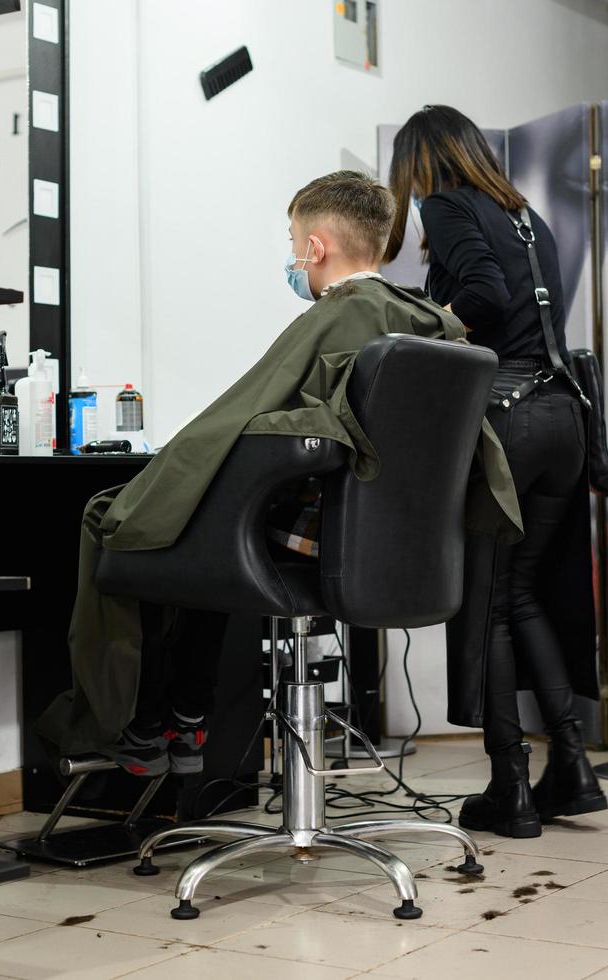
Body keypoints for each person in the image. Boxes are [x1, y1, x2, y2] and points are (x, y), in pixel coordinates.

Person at [39, 170, 520, 779]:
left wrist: (170, 475)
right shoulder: (427, 323)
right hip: (400, 541)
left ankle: (127, 726)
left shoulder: (342, 317)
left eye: (294, 241)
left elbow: (249, 421)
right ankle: (184, 721)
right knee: (203, 522)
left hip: (328, 537)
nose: (293, 257)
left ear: (315, 246)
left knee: (125, 518)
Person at [386, 104, 607, 838]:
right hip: (564, 419)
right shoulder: (525, 214)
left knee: (487, 606)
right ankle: (570, 768)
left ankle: (508, 789)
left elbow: (481, 295)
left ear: (423, 164)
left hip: (509, 422)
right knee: (524, 596)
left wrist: (414, 323)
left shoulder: (448, 205)